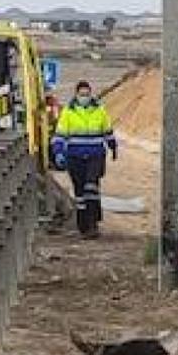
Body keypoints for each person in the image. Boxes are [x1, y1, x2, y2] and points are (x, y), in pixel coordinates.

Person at [51, 81, 118, 238]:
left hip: (95, 155)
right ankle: (83, 226)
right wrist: (58, 153)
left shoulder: (99, 110)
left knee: (91, 187)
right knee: (80, 193)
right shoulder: (68, 112)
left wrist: (113, 146)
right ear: (76, 95)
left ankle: (93, 223)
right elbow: (60, 135)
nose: (85, 97)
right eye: (82, 94)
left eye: (87, 94)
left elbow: (107, 130)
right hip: (75, 157)